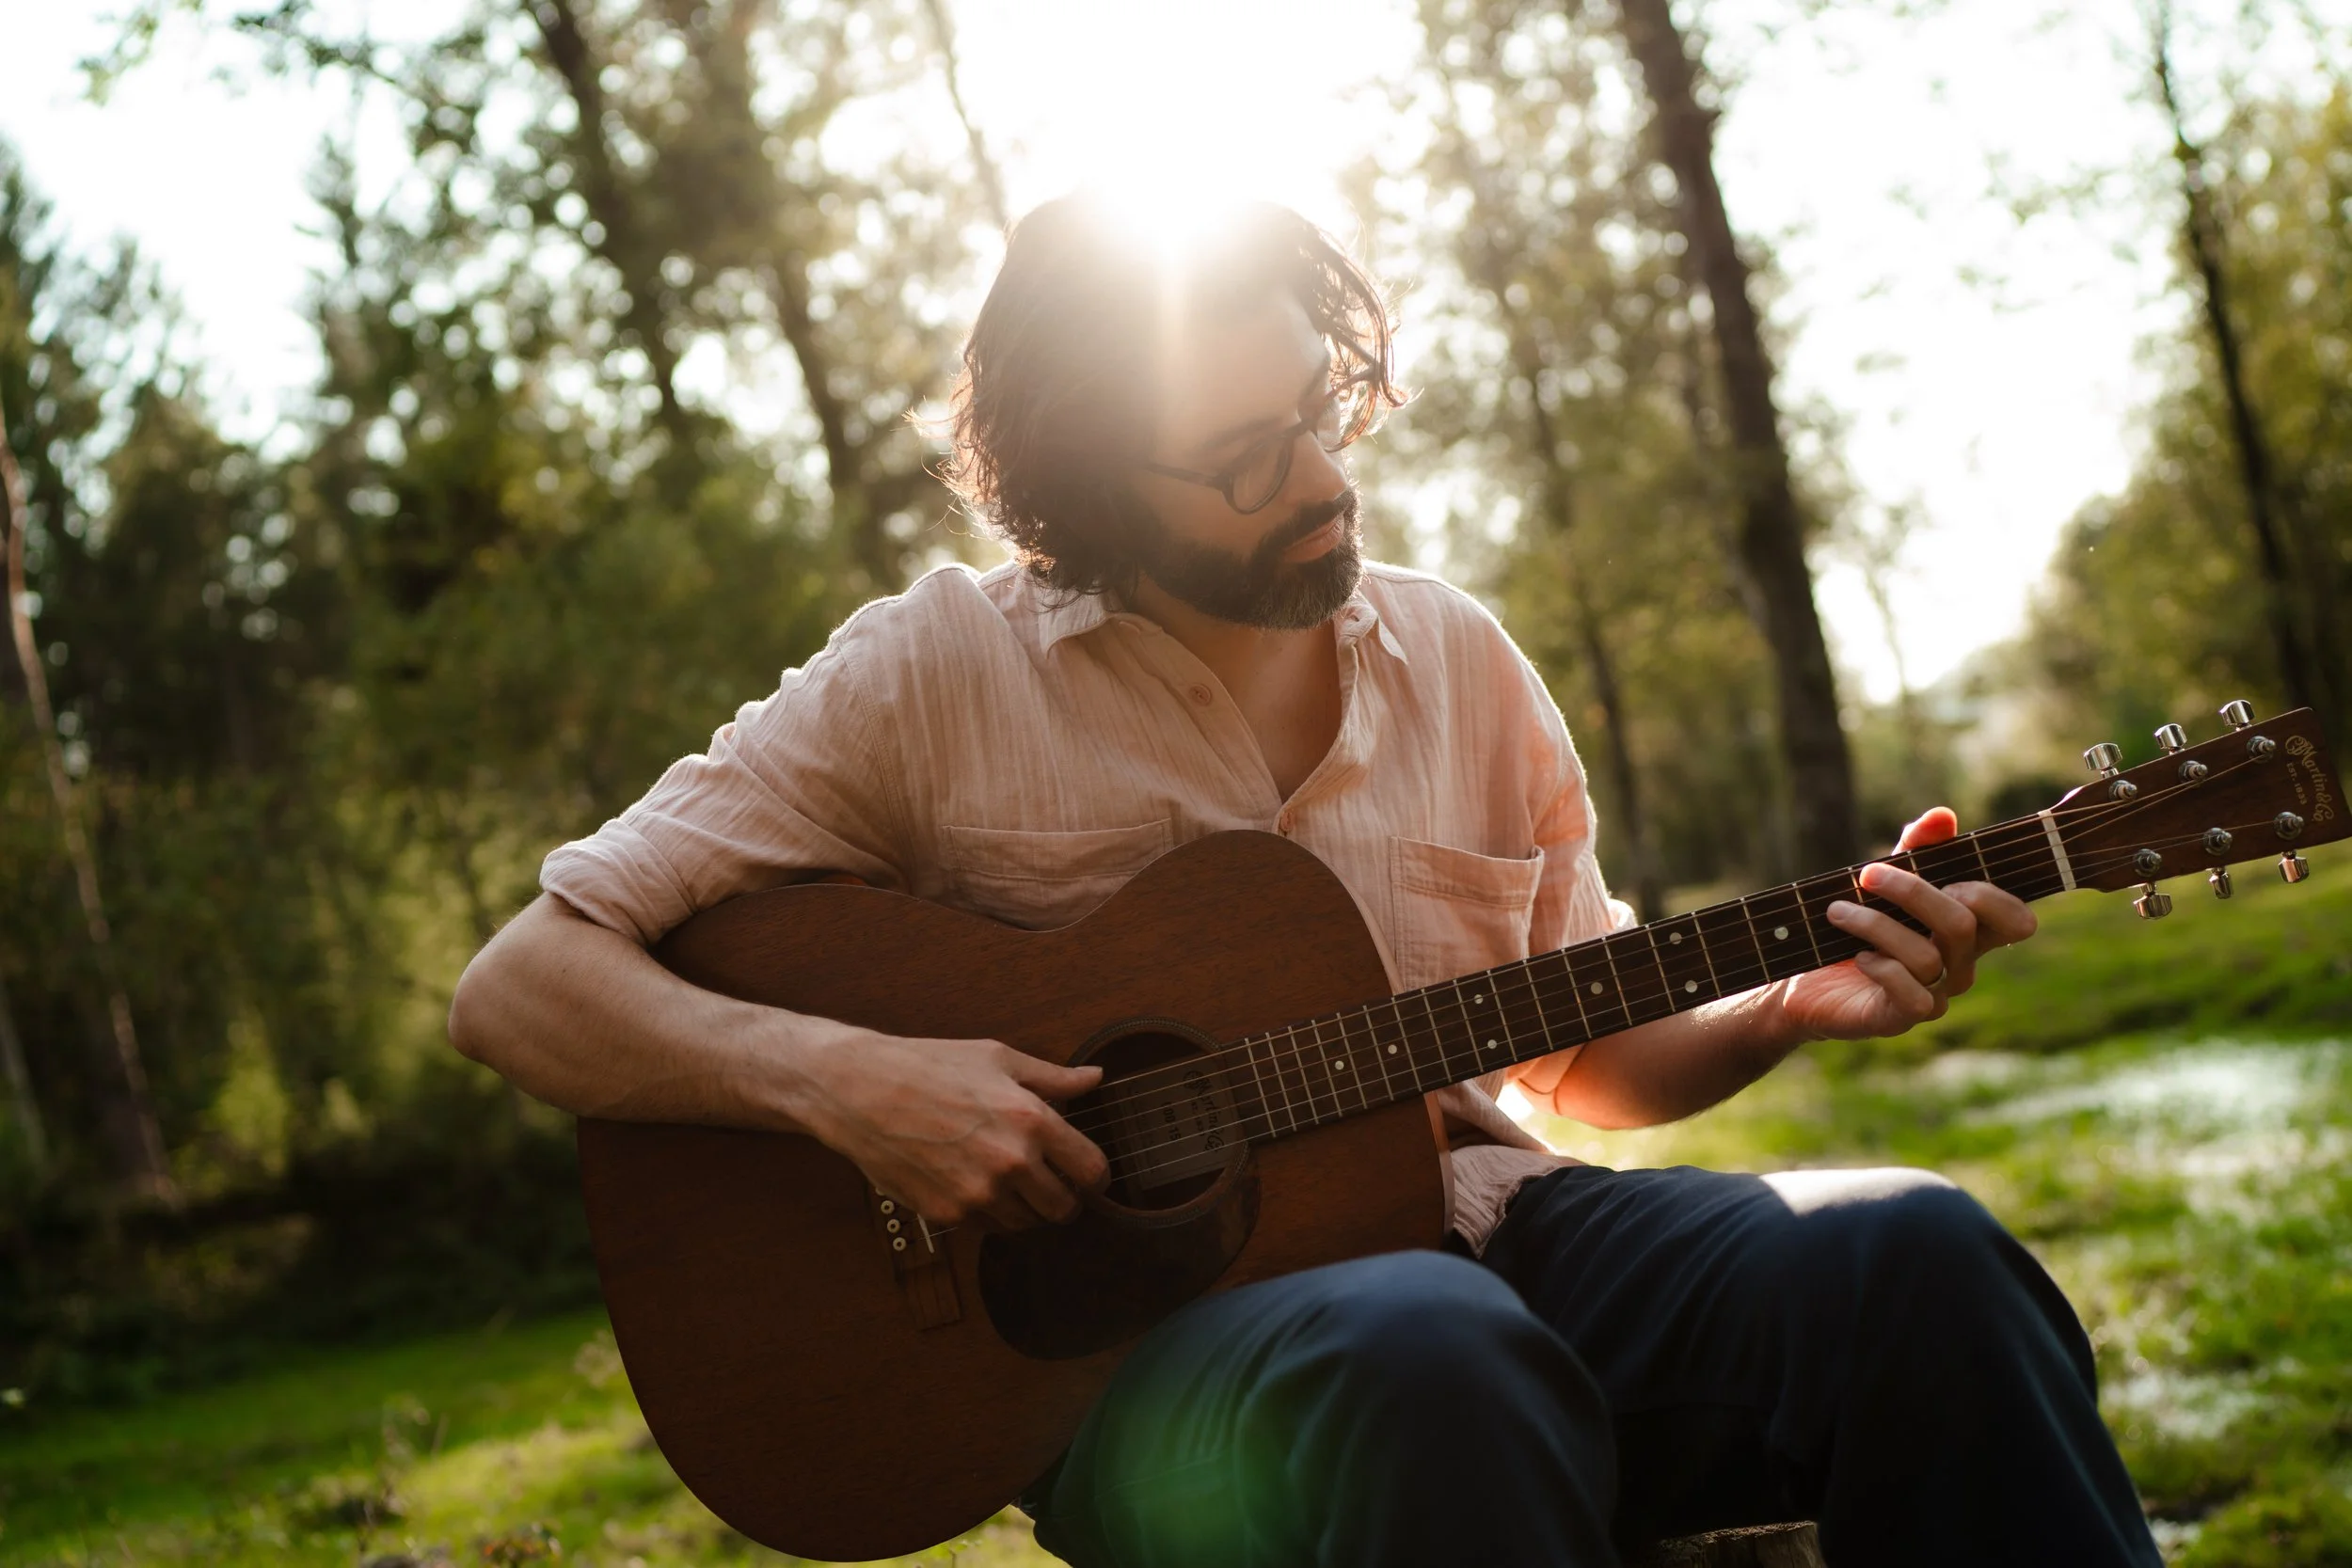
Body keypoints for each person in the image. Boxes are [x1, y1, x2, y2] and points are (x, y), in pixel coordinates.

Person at [448, 196, 2162, 1568]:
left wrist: (1792, 1000)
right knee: (1427, 1355)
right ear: (1084, 481)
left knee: (1924, 1260)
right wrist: (854, 1083)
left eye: (1319, 414)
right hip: (1144, 1378)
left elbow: (1578, 1053)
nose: (1326, 480)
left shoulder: (1455, 659)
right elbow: (522, 981)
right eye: (1245, 455)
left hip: (1502, 1240)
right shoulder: (929, 674)